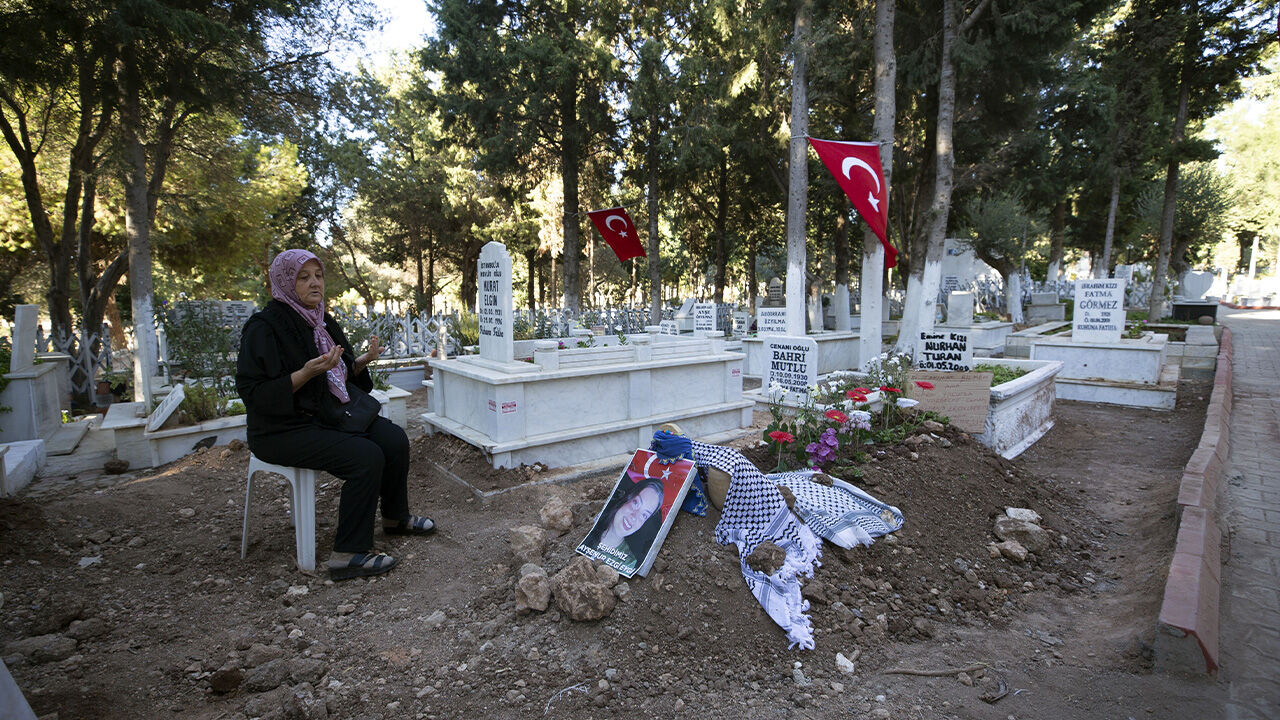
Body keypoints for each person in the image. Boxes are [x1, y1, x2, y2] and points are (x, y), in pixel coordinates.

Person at [236, 249, 435, 581]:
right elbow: (254, 395)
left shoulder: (322, 319)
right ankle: (348, 553)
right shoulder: (264, 328)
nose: (315, 283)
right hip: (280, 429)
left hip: (325, 416)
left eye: (318, 275)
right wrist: (304, 374)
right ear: (285, 282)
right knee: (365, 456)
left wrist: (364, 361)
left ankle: (395, 518)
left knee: (394, 438)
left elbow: (338, 375)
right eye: (304, 277)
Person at [583, 478, 665, 573]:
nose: (634, 517)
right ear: (627, 497)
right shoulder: (590, 529)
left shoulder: (628, 562)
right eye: (636, 502)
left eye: (644, 515)